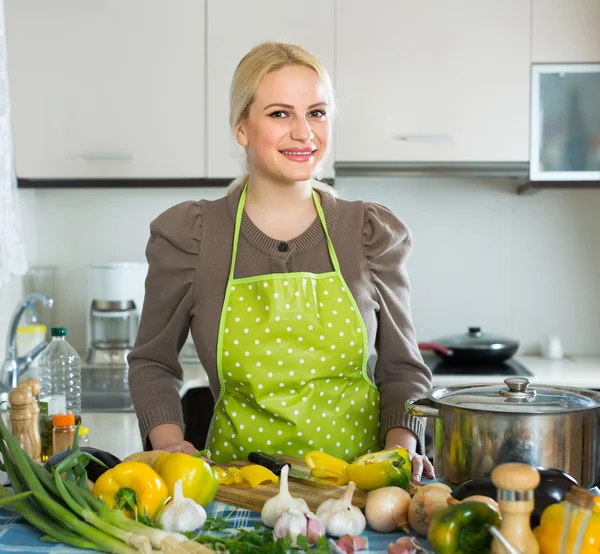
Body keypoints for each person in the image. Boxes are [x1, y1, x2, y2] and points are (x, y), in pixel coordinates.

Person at [128, 41, 434, 481]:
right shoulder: (195, 236)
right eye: (279, 113)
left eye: (316, 112)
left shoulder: (366, 233)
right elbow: (152, 362)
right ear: (242, 127)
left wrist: (398, 456)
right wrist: (170, 446)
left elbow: (402, 368)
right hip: (238, 492)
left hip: (360, 493)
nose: (304, 132)